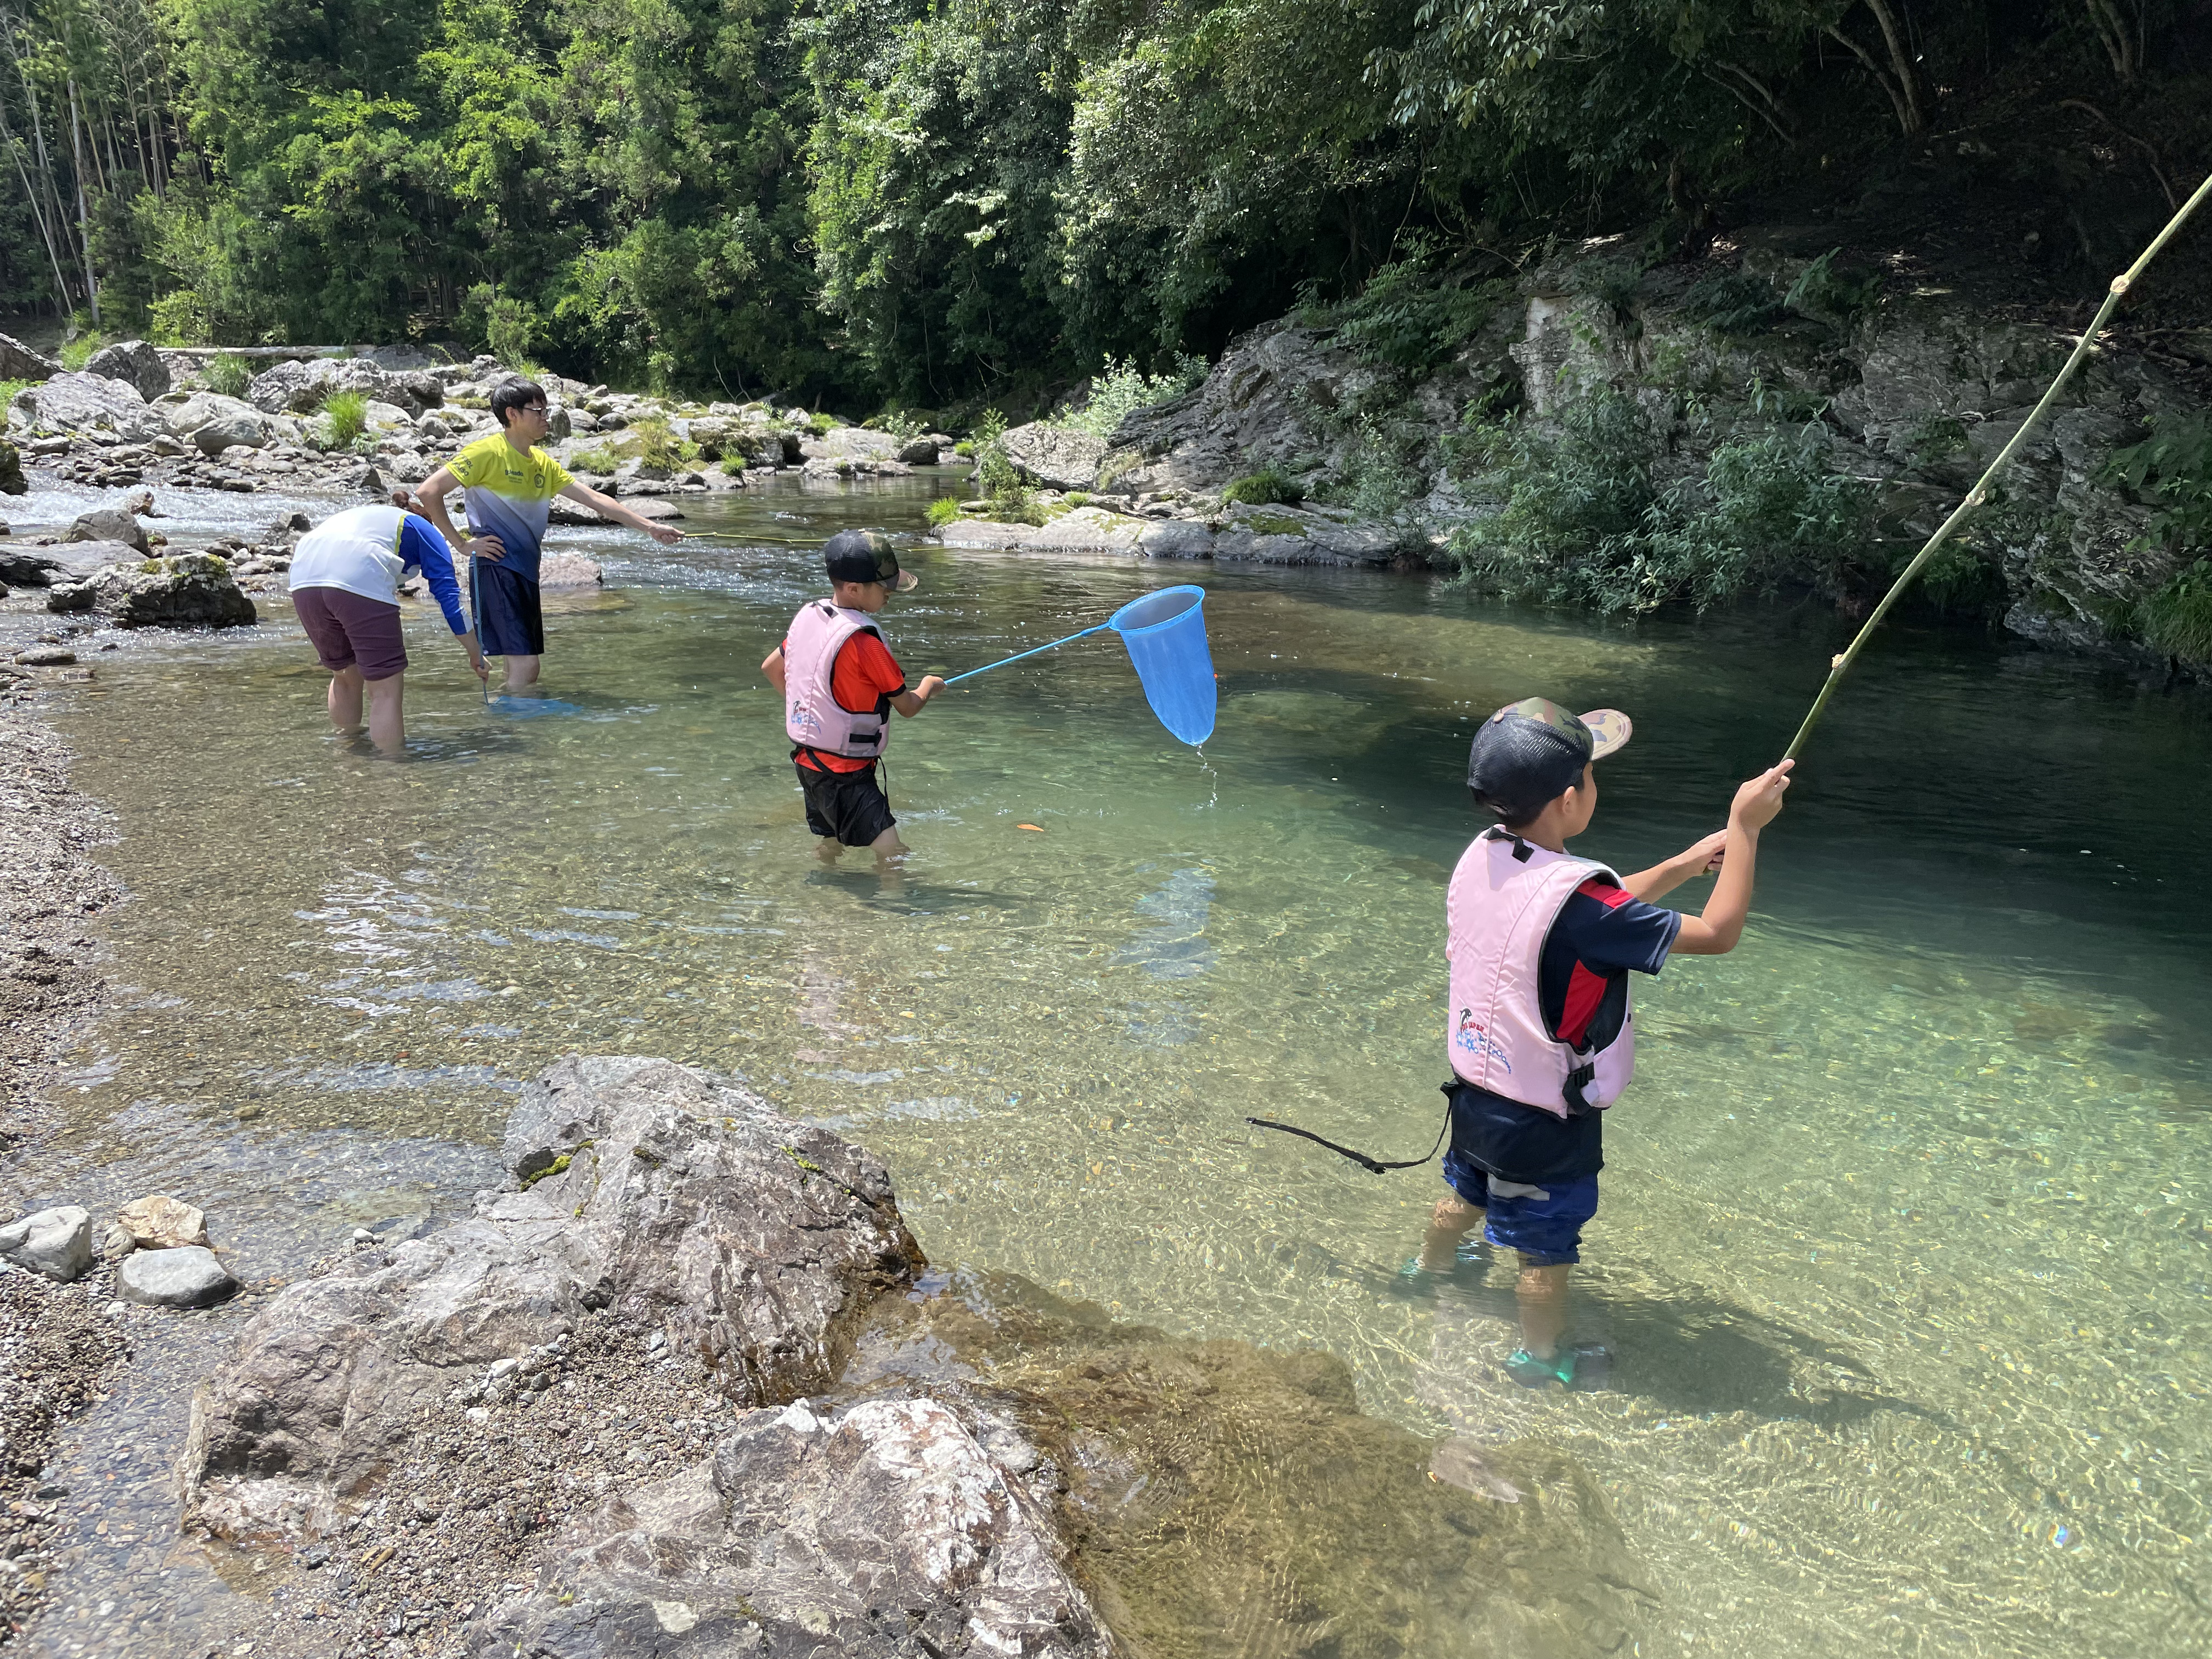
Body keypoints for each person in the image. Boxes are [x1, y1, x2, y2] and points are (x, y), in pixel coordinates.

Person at [1412, 696, 1795, 1388]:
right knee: (1542, 1254)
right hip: (1545, 1123)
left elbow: (1594, 913)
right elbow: (1720, 932)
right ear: (1568, 799)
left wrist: (1682, 862)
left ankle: (1426, 1271)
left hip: (1474, 1095)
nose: (1594, 786)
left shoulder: (1488, 857)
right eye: (1591, 776)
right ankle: (1539, 1359)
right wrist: (1746, 828)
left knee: (1464, 1194)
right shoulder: (1586, 906)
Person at [414, 376, 684, 692]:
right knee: (527, 667)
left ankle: (505, 731)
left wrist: (650, 526)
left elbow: (596, 500)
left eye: (546, 410)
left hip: (526, 572)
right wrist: (461, 544)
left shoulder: (542, 462)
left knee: (518, 665)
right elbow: (428, 491)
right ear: (512, 414)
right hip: (497, 568)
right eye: (538, 410)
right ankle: (515, 733)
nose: (546, 417)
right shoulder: (486, 453)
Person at [760, 531, 945, 862]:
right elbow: (907, 706)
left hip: (808, 763)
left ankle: (824, 900)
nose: (891, 593)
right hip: (846, 774)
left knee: (830, 842)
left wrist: (814, 715)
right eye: (884, 587)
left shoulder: (811, 618)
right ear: (854, 589)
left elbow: (772, 668)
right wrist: (930, 686)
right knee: (893, 855)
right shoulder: (867, 645)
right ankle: (894, 910)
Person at [286, 493, 488, 752]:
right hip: (358, 572)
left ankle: (347, 754)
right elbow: (450, 600)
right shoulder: (427, 531)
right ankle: (390, 772)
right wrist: (475, 652)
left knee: (345, 676)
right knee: (385, 689)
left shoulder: (374, 520)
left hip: (303, 579)